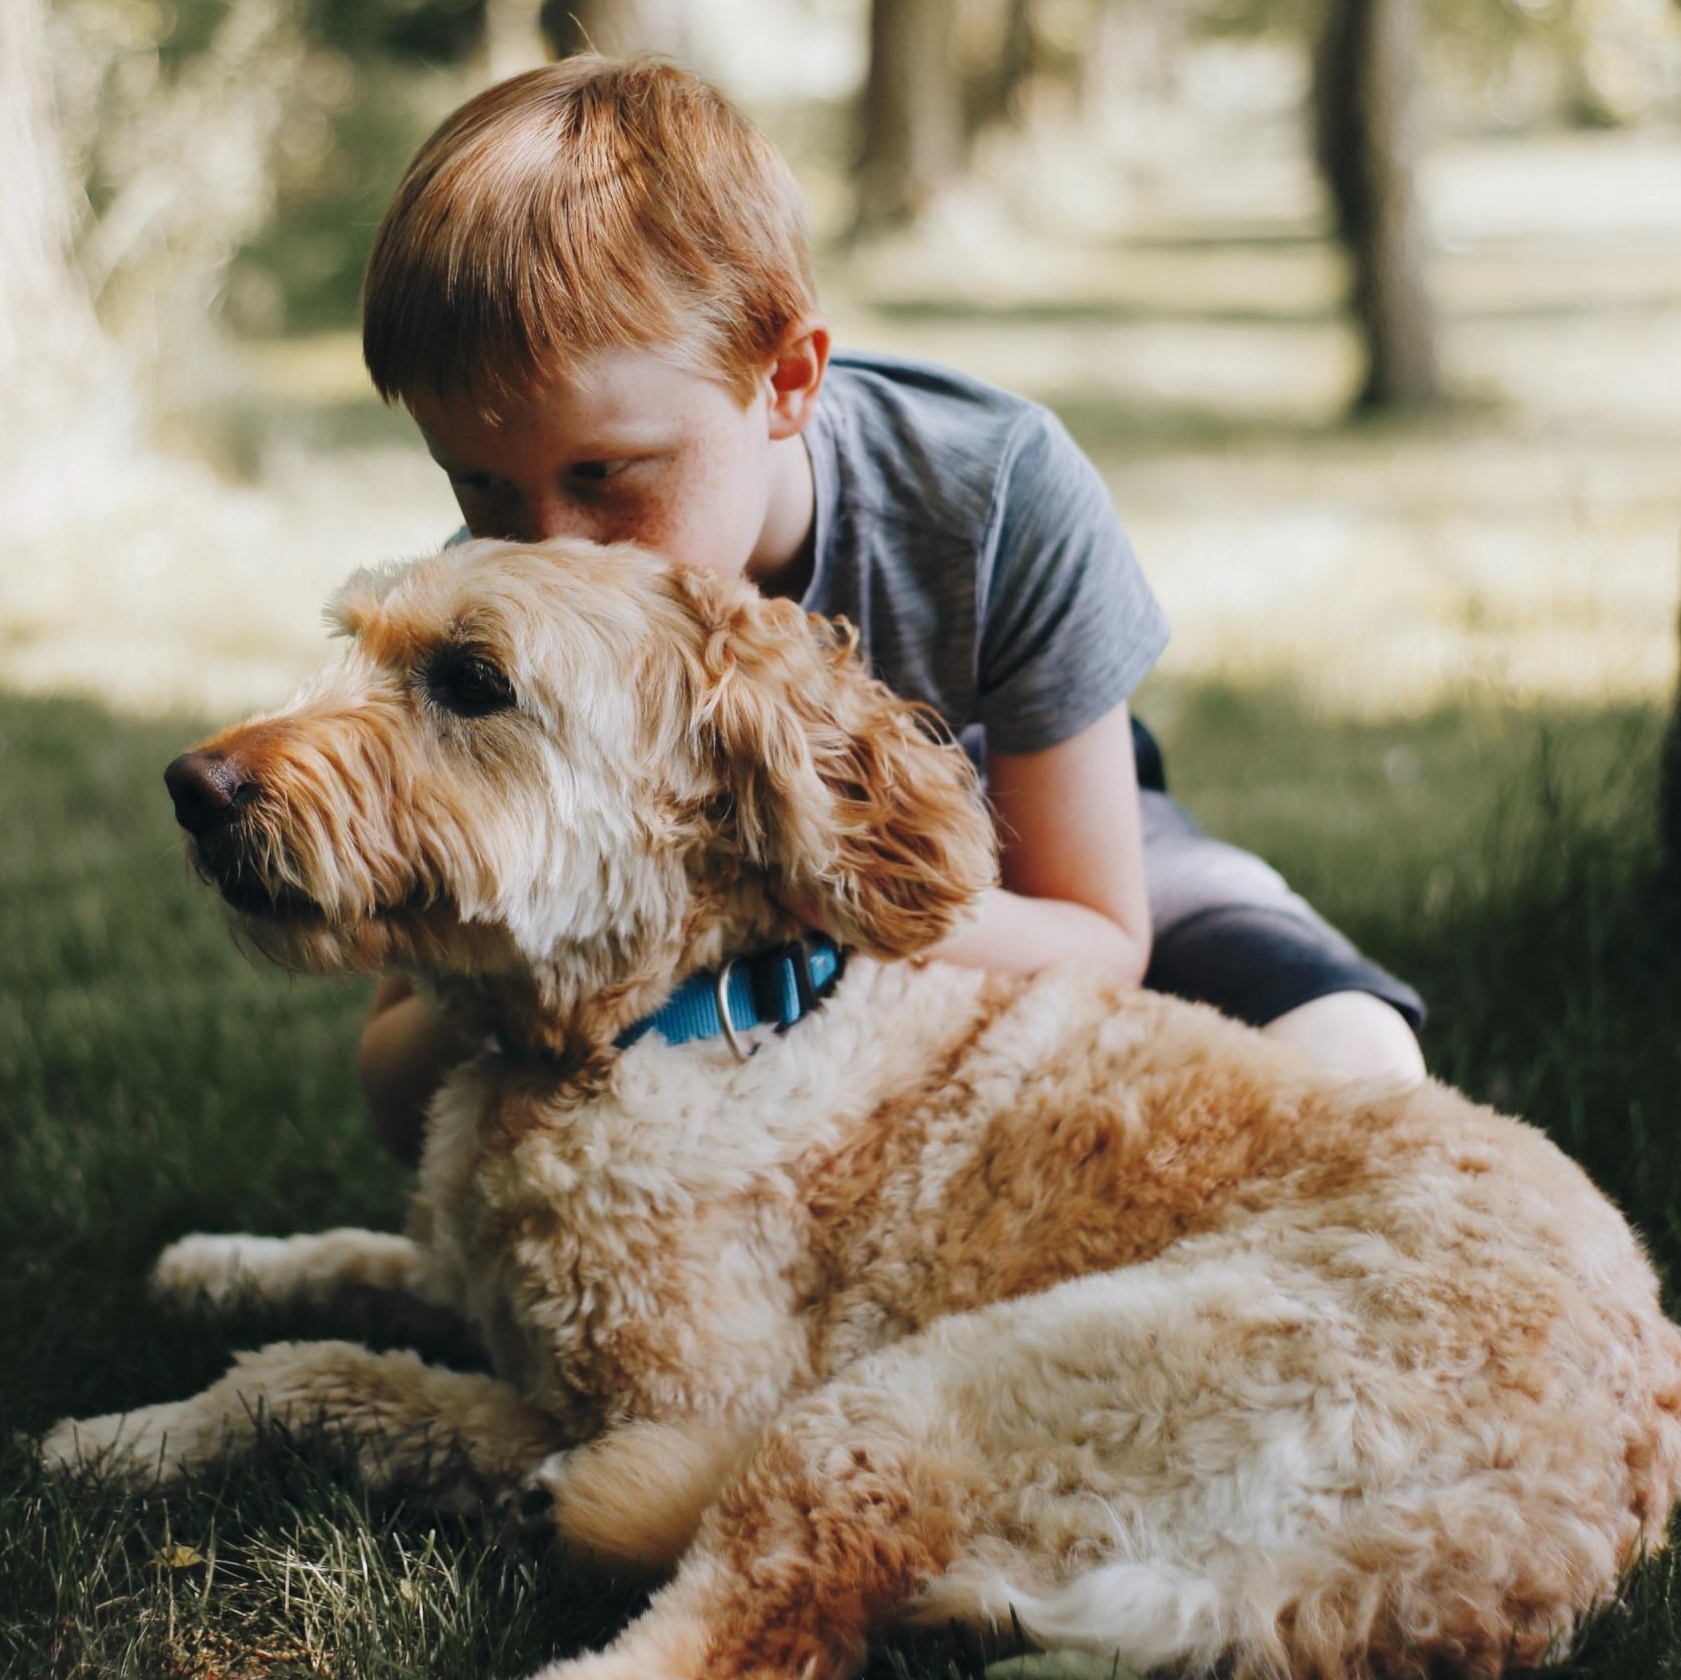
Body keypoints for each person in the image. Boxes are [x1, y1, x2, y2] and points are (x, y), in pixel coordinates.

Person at [355, 55, 1425, 1167]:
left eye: (606, 474)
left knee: (1357, 1055)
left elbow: (1100, 935)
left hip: (1017, 853)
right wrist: (516, 951)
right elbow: (395, 1082)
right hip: (674, 961)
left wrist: (820, 894)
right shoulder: (487, 633)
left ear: (785, 381)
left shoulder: (991, 494)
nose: (546, 549)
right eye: (478, 486)